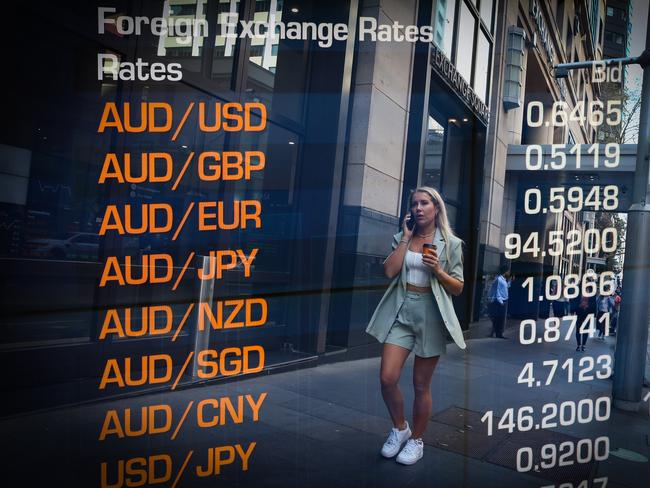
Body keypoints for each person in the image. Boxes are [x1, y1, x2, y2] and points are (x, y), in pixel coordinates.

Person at [366, 187, 465, 466]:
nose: (418, 208)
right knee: (387, 378)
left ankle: (416, 441)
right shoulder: (403, 237)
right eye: (414, 204)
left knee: (421, 385)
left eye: (424, 203)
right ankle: (400, 428)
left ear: (436, 208)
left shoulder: (451, 244)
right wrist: (406, 238)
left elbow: (457, 288)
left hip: (431, 314)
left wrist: (438, 270)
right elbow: (389, 271)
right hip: (401, 309)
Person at [487, 265, 511, 338]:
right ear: (505, 271)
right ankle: (498, 334)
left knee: (499, 318)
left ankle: (495, 333)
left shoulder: (503, 279)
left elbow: (505, 288)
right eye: (508, 271)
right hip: (499, 302)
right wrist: (501, 302)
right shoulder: (499, 280)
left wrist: (510, 282)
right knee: (499, 318)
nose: (509, 272)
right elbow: (497, 291)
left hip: (503, 300)